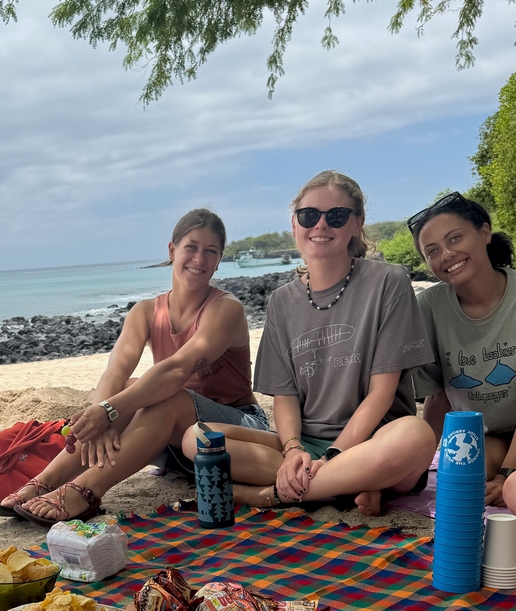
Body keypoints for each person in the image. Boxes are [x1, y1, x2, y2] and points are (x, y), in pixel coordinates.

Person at [183, 170, 437, 515]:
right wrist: (292, 450)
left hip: (374, 443)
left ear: (356, 224)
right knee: (195, 438)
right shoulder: (281, 302)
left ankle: (274, 495)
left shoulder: (387, 282)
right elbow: (285, 397)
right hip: (305, 447)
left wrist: (333, 456)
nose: (321, 225)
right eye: (309, 215)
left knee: (417, 435)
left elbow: (382, 393)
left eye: (336, 216)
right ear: (294, 224)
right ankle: (349, 486)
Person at [0, 208, 269, 525]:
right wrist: (99, 419)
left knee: (166, 396)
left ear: (219, 260)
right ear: (172, 250)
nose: (200, 259)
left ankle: (86, 490)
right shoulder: (146, 311)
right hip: (177, 447)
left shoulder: (225, 308)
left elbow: (178, 368)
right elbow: (116, 369)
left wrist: (108, 411)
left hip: (238, 431)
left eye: (211, 251)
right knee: (126, 387)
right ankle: (46, 480)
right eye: (191, 247)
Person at [408, 191, 516, 508]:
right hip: (491, 439)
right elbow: (437, 398)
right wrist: (412, 474)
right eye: (432, 251)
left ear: (484, 232)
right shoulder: (429, 307)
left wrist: (506, 476)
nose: (446, 254)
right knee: (461, 475)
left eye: (455, 238)